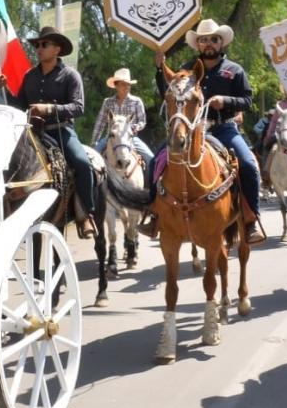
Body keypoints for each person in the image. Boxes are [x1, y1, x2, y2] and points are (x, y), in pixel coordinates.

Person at [152, 19, 267, 244]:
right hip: (192, 130)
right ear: (198, 44)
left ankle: (251, 219)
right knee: (157, 160)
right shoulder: (187, 70)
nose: (208, 44)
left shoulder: (234, 70)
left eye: (213, 39)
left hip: (224, 128)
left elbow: (247, 100)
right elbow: (169, 92)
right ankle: (154, 214)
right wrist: (160, 68)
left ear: (221, 42)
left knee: (249, 164)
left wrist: (224, 101)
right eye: (203, 40)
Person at [0, 26, 98, 236]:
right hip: (33, 133)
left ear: (57, 49)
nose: (39, 48)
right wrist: (4, 89)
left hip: (62, 132)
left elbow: (78, 107)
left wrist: (50, 109)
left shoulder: (70, 75)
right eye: (37, 45)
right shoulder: (30, 76)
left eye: (44, 44)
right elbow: (20, 105)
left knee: (82, 163)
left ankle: (86, 213)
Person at [91, 68, 153, 166]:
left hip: (131, 138)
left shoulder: (137, 101)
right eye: (123, 84)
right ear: (116, 85)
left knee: (151, 159)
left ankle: (153, 181)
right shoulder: (108, 102)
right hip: (110, 138)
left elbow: (142, 121)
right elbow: (100, 123)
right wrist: (94, 142)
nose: (127, 87)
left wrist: (135, 127)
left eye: (128, 84)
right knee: (91, 159)